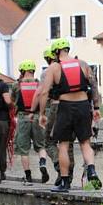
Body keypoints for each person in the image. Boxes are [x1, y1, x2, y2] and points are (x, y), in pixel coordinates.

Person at [37, 38, 102, 193]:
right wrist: (97, 107)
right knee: (85, 143)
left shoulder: (54, 67)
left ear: (56, 52)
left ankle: (65, 183)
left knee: (64, 145)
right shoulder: (83, 64)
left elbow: (44, 91)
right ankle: (91, 170)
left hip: (65, 107)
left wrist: (41, 114)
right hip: (83, 106)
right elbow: (93, 85)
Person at [33, 46, 74, 188]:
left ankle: (59, 165)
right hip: (74, 106)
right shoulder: (70, 67)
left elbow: (41, 93)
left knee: (48, 141)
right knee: (68, 143)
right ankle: (68, 175)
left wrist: (39, 113)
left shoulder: (47, 72)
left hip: (56, 107)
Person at [13, 60, 50, 186]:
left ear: (22, 72)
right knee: (41, 146)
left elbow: (12, 102)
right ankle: (43, 163)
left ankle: (28, 176)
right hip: (37, 117)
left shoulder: (16, 85)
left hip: (23, 117)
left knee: (23, 150)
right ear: (33, 71)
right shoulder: (40, 84)